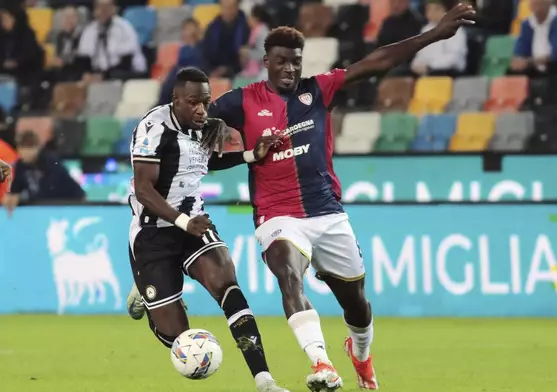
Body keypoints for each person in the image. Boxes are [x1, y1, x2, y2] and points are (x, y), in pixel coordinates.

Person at [207, 4, 475, 391]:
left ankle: (360, 355)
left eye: (295, 62)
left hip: (326, 213)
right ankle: (322, 363)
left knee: (357, 306)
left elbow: (375, 63)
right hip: (277, 214)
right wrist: (247, 154)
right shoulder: (239, 102)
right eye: (281, 61)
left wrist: (433, 34)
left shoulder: (317, 90)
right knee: (288, 273)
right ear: (265, 61)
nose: (289, 69)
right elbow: (201, 152)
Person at [124, 67, 287, 392]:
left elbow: (203, 160)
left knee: (227, 286)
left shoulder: (206, 127)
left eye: (205, 102)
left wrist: (249, 155)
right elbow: (144, 189)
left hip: (194, 223)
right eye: (193, 102)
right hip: (152, 233)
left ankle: (265, 380)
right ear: (176, 100)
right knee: (177, 337)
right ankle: (145, 292)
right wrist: (182, 221)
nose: (201, 109)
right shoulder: (153, 127)